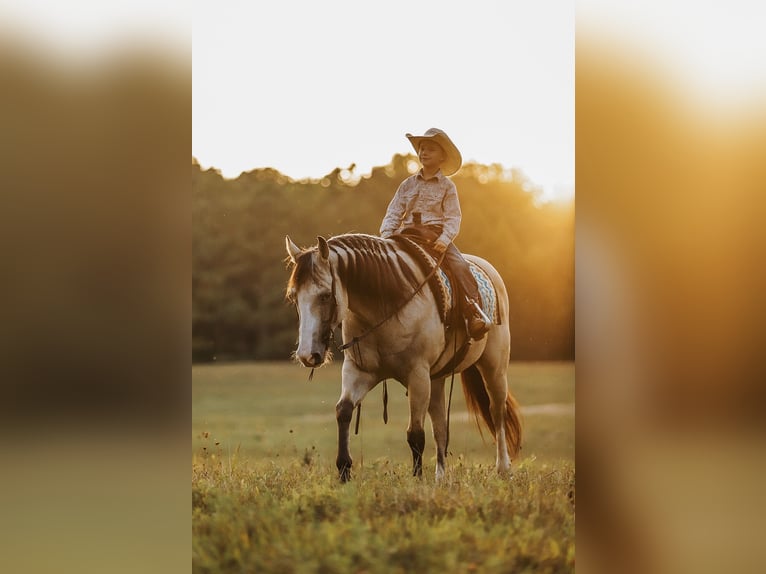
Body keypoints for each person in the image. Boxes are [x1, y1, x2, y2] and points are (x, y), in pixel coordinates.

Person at [379, 127, 491, 340]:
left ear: (442, 156)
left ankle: (471, 311)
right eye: (421, 148)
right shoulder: (407, 184)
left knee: (459, 265)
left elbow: (453, 217)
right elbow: (394, 212)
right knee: (383, 265)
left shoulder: (447, 187)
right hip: (407, 236)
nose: (424, 152)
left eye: (430, 149)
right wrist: (387, 236)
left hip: (435, 237)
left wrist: (445, 238)